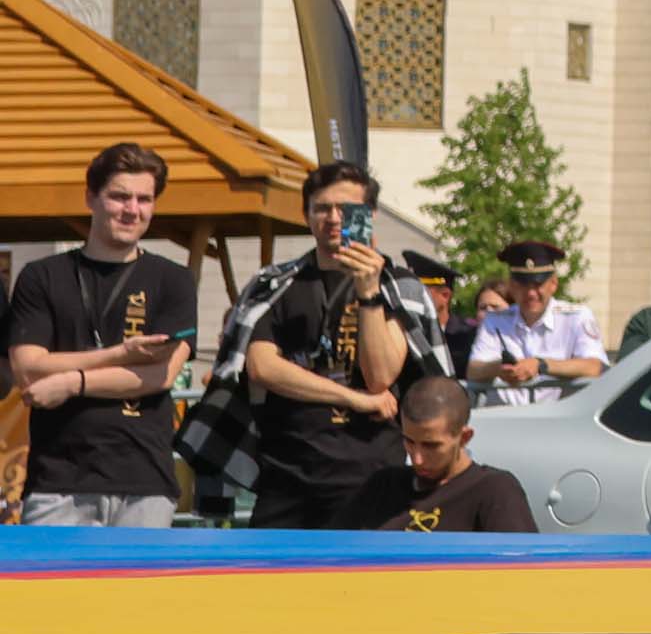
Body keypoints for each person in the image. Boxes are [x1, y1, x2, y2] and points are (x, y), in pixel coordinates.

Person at [179, 162, 446, 529]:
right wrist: (353, 399)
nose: (334, 218)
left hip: (373, 475)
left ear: (369, 215)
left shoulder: (398, 287)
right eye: (322, 208)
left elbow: (380, 378)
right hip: (288, 475)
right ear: (307, 215)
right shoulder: (275, 284)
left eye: (346, 209)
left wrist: (368, 294)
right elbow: (262, 367)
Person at [5, 143, 196, 527]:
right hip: (58, 481)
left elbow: (159, 376)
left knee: (142, 591)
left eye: (144, 199)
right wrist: (123, 354)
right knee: (53, 590)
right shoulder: (43, 276)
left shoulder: (173, 279)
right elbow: (28, 369)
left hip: (145, 482)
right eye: (120, 196)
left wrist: (72, 382)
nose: (132, 209)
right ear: (91, 197)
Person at [344, 378, 537, 533]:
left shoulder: (494, 491)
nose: (417, 458)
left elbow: (521, 571)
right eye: (410, 442)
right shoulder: (383, 485)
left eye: (431, 446)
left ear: (464, 437)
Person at [467, 241, 609, 404]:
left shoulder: (577, 317)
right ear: (512, 286)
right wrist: (499, 369)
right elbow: (474, 370)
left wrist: (541, 365)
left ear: (553, 284)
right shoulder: (495, 320)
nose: (531, 293)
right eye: (523, 285)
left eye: (538, 284)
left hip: (556, 420)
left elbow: (594, 367)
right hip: (506, 419)